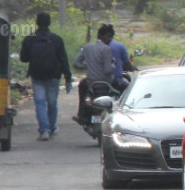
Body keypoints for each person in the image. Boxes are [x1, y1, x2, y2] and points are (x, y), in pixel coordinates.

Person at [19, 12, 72, 141]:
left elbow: (23, 58)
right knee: (52, 103)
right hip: (53, 75)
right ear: (49, 23)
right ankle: (52, 128)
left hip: (37, 75)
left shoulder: (30, 39)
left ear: (37, 22)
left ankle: (44, 130)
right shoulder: (56, 39)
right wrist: (68, 77)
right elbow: (63, 60)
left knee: (40, 103)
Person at [73, 25, 116, 126]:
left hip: (91, 82)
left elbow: (76, 63)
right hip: (106, 83)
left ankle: (81, 115)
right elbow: (107, 69)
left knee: (82, 87)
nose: (109, 39)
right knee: (121, 89)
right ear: (100, 36)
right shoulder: (106, 49)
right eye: (108, 36)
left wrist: (87, 66)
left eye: (111, 37)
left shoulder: (87, 47)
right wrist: (114, 65)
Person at [102, 24, 136, 92]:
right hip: (116, 81)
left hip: (96, 81)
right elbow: (127, 63)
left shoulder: (94, 47)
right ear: (112, 34)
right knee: (130, 90)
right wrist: (133, 69)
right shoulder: (119, 46)